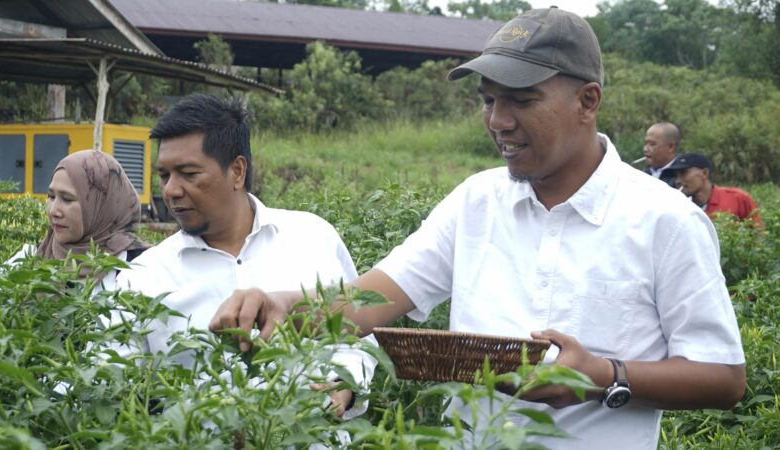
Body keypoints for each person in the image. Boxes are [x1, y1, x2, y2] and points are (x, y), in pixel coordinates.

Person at [208, 7, 746, 450]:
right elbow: (371, 299)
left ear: (588, 102)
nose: (497, 120)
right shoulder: (477, 201)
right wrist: (287, 304)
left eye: (522, 100)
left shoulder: (665, 220)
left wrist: (602, 376)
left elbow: (723, 378)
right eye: (489, 100)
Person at [116, 93, 375, 419]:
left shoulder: (313, 237)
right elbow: (111, 379)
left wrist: (344, 384)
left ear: (237, 171)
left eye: (188, 173)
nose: (170, 190)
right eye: (164, 175)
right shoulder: (143, 277)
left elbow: (360, 338)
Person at [6, 150, 151, 290]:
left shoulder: (140, 267)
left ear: (101, 205)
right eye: (51, 196)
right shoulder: (31, 256)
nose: (53, 211)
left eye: (67, 199)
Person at [670, 152, 763, 227]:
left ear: (704, 173)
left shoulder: (737, 198)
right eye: (676, 176)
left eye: (683, 173)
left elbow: (759, 235)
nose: (678, 181)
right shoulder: (678, 207)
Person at [643, 122, 681, 188]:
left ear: (670, 147)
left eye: (652, 144)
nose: (645, 149)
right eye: (645, 143)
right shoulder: (641, 175)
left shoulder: (681, 176)